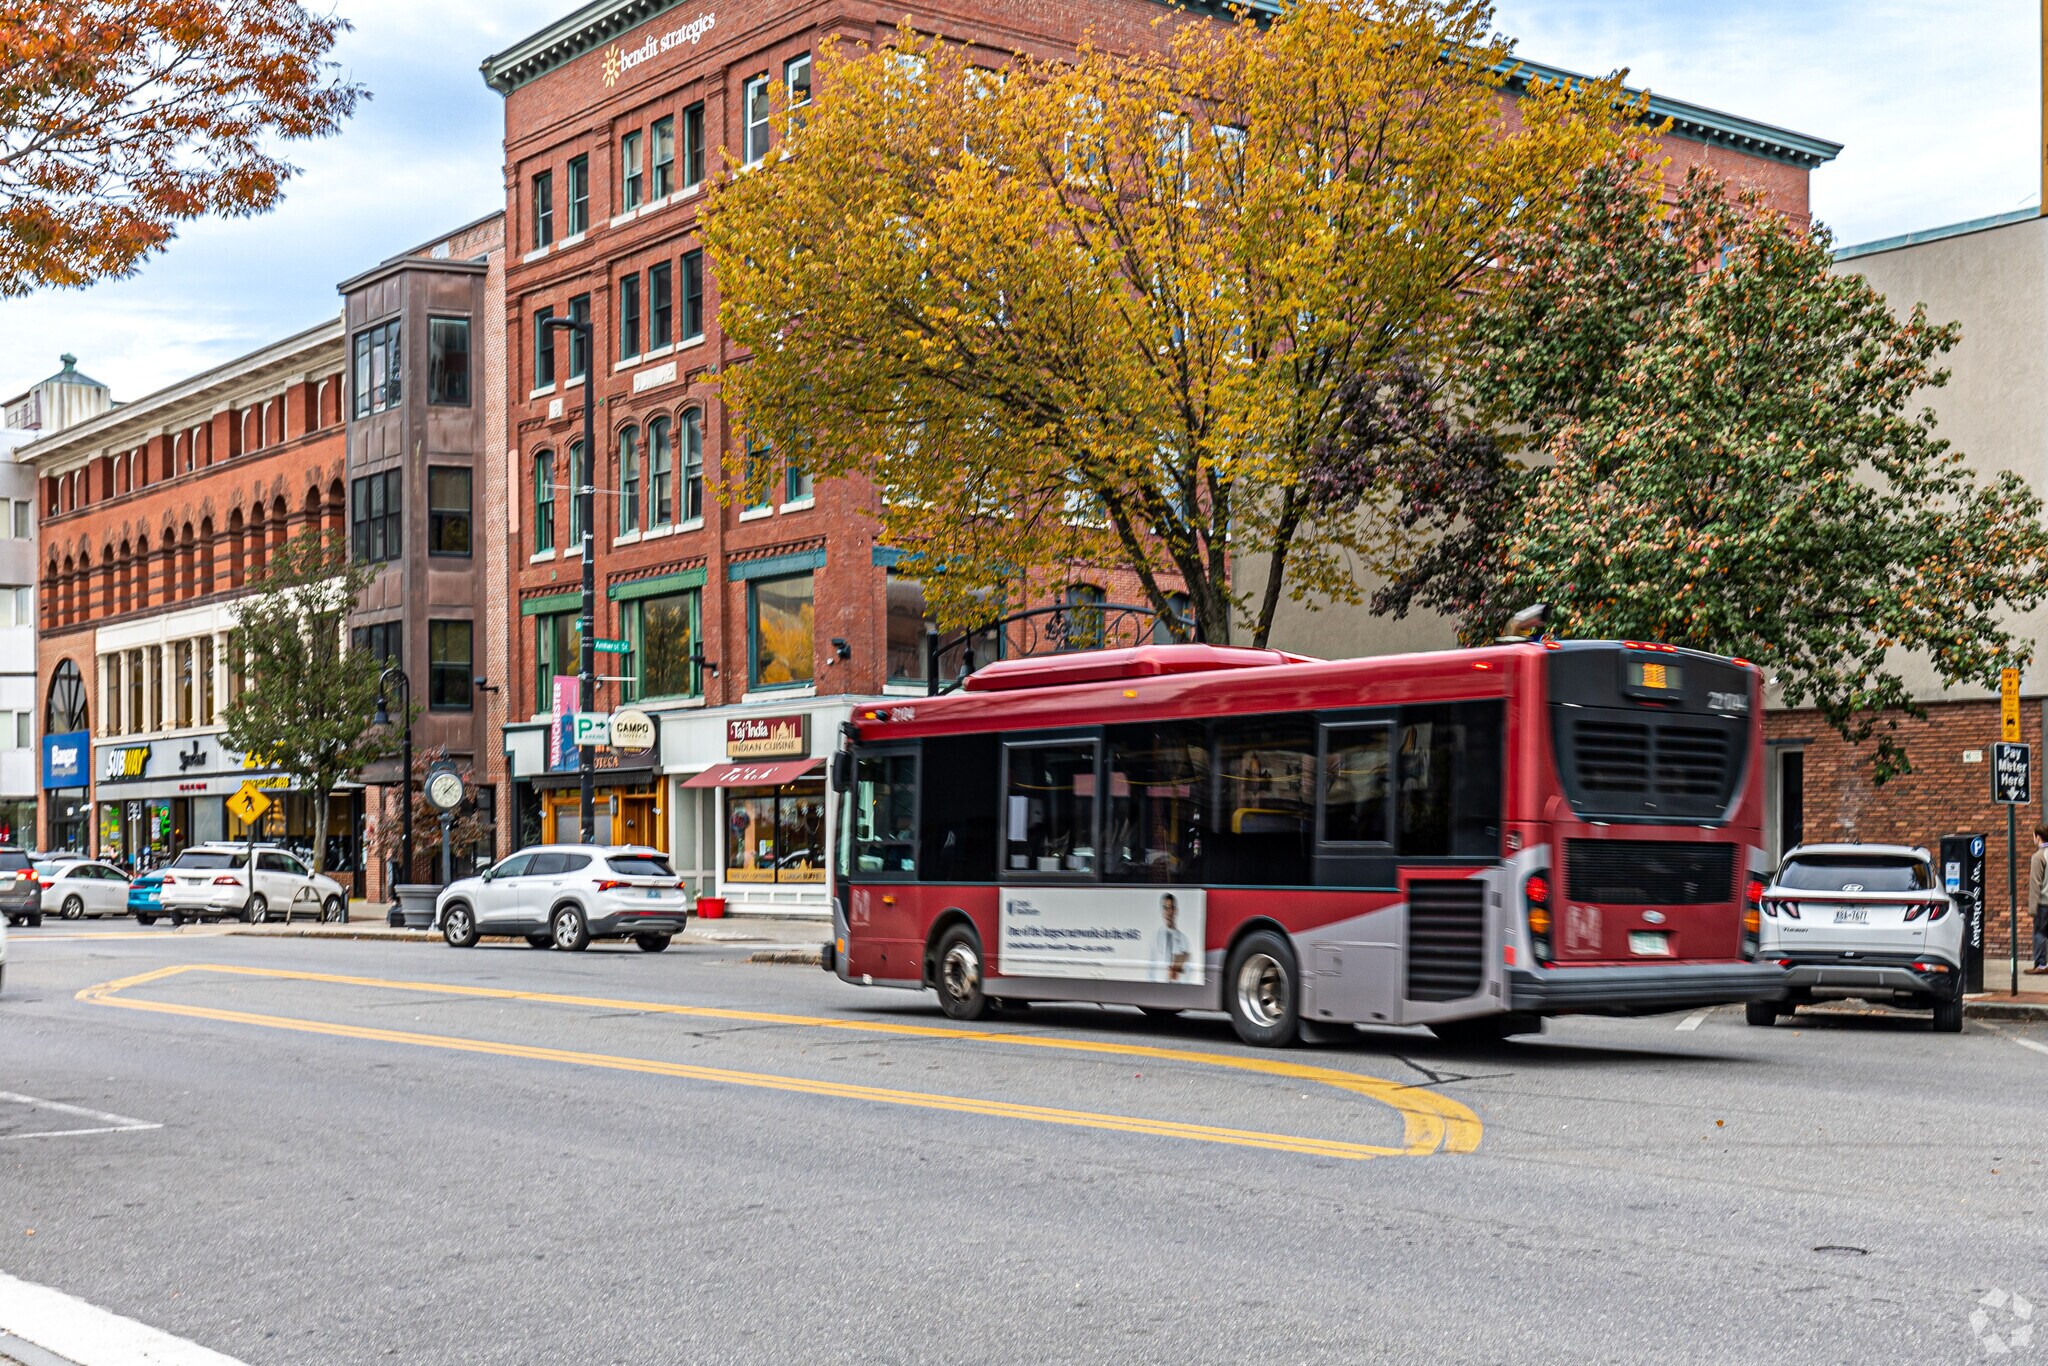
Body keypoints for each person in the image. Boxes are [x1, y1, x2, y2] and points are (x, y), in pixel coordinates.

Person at [1151, 893, 1191, 983]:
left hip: (1176, 986)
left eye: (1171, 908)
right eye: (1165, 908)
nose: (1168, 912)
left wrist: (1176, 974)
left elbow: (1189, 970)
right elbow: (1150, 969)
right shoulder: (1155, 937)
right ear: (1162, 911)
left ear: (1175, 911)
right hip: (1158, 986)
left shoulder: (1184, 940)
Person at [2029, 825, 2048, 975]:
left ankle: (2041, 965)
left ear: (2038, 837)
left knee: (2040, 933)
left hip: (2043, 903)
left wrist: (2032, 908)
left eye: (2033, 836)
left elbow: (2035, 884)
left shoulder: (2038, 856)